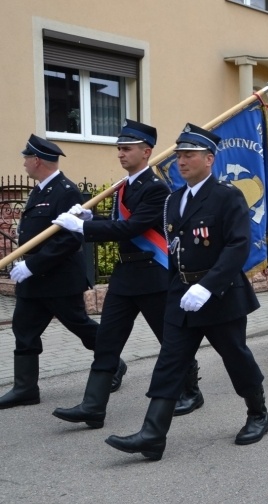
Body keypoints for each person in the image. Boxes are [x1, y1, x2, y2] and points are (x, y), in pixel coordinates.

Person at [105, 124, 268, 460]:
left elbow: (238, 247)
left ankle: (258, 413)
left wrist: (207, 287)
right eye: (179, 155)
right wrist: (176, 289)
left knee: (236, 357)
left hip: (219, 295)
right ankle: (152, 434)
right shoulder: (175, 199)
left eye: (189, 155)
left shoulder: (227, 196)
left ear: (209, 159)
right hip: (182, 294)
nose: (181, 160)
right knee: (170, 362)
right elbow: (174, 248)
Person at [51, 120, 205, 428]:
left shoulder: (157, 188)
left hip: (152, 275)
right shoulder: (124, 187)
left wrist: (83, 227)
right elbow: (118, 225)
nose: (120, 154)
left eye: (127, 149)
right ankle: (93, 406)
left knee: (171, 339)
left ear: (146, 152)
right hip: (124, 276)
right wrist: (91, 216)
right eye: (119, 149)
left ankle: (191, 391)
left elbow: (132, 227)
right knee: (107, 340)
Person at [0, 136, 98, 409]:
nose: (23, 164)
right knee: (24, 329)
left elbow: (69, 239)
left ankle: (112, 363)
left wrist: (32, 265)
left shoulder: (66, 191)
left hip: (59, 278)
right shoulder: (40, 190)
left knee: (80, 326)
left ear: (37, 160)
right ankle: (25, 388)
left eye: (26, 158)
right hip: (34, 281)